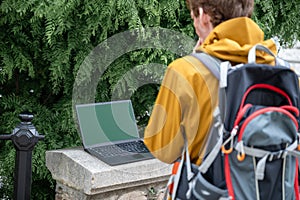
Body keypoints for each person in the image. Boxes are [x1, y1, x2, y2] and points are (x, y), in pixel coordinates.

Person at [144, 0, 278, 166]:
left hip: (212, 189)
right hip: (271, 188)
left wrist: (195, 59)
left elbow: (163, 149)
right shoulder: (280, 70)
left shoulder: (185, 71)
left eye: (193, 17)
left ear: (202, 15)